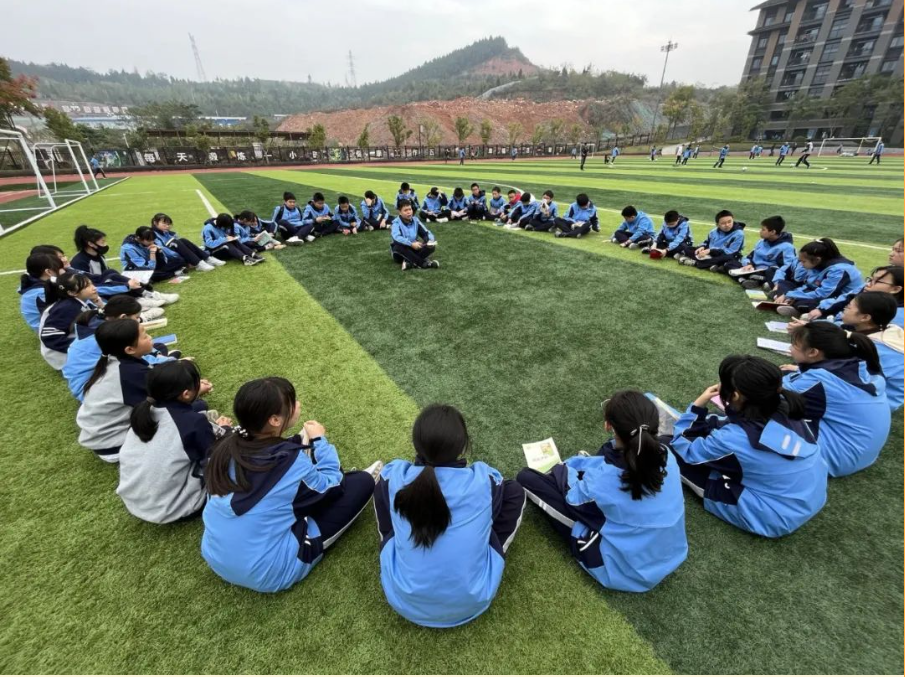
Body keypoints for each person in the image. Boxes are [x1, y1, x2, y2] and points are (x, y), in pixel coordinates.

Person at [201, 377, 378, 593]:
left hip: (215, 556)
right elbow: (332, 485)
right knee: (361, 482)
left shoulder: (223, 447)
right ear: (275, 420)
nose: (298, 405)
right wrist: (320, 442)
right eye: (292, 403)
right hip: (268, 572)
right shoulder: (290, 464)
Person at [518, 390, 687, 590]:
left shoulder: (604, 482)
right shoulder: (666, 454)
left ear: (609, 426)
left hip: (625, 571)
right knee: (606, 453)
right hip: (670, 553)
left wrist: (563, 468)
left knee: (526, 478)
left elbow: (572, 498)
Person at [375, 404, 525, 627]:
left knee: (387, 503)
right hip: (473, 599)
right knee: (514, 492)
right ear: (463, 447)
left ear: (416, 444)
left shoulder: (392, 475)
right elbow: (507, 492)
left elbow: (385, 519)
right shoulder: (484, 479)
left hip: (404, 599)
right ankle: (488, 551)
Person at [672, 356, 827, 537]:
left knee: (665, 448)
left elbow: (686, 449)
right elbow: (729, 426)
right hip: (807, 498)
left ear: (736, 395)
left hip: (773, 516)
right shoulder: (787, 408)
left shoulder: (733, 439)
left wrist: (698, 406)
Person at [118, 360, 231, 524]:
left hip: (137, 503)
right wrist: (225, 431)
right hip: (174, 509)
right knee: (232, 456)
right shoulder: (193, 423)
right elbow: (215, 458)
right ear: (186, 394)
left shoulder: (143, 413)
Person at [782, 322, 890, 477]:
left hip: (839, 457)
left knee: (759, 414)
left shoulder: (821, 379)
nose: (790, 348)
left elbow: (766, 393)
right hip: (862, 452)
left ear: (813, 352)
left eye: (794, 345)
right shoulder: (857, 363)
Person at [76, 319, 162, 462]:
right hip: (115, 445)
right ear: (129, 349)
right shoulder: (130, 373)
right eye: (145, 336)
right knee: (187, 414)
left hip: (101, 438)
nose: (150, 337)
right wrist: (194, 392)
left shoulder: (113, 360)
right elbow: (160, 402)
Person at [63, 295, 175, 402]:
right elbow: (132, 362)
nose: (139, 321)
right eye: (137, 318)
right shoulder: (108, 337)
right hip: (91, 390)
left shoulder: (100, 325)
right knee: (164, 378)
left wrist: (157, 355)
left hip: (92, 380)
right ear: (123, 317)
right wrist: (171, 362)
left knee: (157, 347)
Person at [838, 291, 903, 411]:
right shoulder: (886, 328)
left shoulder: (878, 347)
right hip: (874, 394)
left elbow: (847, 375)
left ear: (865, 317)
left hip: (875, 403)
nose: (844, 308)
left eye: (849, 307)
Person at [771, 238, 863, 318]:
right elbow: (809, 285)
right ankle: (791, 303)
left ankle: (799, 308)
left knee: (802, 301)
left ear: (817, 259)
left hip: (840, 301)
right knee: (783, 284)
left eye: (803, 261)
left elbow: (823, 294)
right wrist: (790, 294)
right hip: (822, 294)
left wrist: (791, 295)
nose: (801, 264)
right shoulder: (819, 264)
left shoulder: (839, 270)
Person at [799, 264, 903, 327]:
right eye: (871, 279)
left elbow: (851, 332)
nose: (868, 284)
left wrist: (814, 328)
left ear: (896, 289)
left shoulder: (896, 317)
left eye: (877, 281)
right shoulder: (868, 293)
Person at [38, 272, 99, 370]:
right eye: (87, 286)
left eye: (91, 283)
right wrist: (83, 348)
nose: (94, 287)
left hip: (72, 345)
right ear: (72, 293)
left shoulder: (79, 301)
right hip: (62, 356)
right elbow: (50, 337)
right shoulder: (67, 307)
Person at [727, 215, 796, 288]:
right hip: (753, 269)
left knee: (770, 272)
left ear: (772, 232)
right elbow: (750, 257)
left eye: (763, 229)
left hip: (767, 271)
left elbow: (786, 267)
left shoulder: (787, 247)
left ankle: (755, 279)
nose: (760, 231)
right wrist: (749, 264)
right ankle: (746, 280)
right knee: (730, 264)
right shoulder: (761, 242)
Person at [677, 210, 745, 272]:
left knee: (726, 259)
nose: (727, 225)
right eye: (723, 223)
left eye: (729, 222)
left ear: (733, 220)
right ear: (717, 224)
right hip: (711, 253)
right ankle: (712, 265)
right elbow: (707, 242)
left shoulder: (739, 233)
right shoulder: (713, 232)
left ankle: (695, 263)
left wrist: (710, 251)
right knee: (687, 249)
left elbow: (731, 251)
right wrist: (702, 247)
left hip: (727, 254)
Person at [149, 213, 222, 271]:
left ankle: (207, 258)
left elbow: (182, 246)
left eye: (168, 224)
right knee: (175, 242)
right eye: (164, 224)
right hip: (168, 259)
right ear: (155, 223)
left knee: (182, 240)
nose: (167, 226)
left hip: (177, 255)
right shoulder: (152, 235)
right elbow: (163, 251)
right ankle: (199, 263)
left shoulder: (168, 233)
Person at [18, 251, 65, 332]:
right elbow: (62, 313)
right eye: (60, 269)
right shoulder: (42, 292)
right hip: (53, 332)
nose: (63, 271)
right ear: (48, 272)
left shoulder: (34, 284)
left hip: (49, 327)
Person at [121, 226, 187, 281]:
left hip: (152, 263)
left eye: (153, 240)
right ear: (139, 239)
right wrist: (152, 253)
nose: (152, 242)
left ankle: (166, 273)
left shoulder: (150, 239)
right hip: (138, 269)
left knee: (179, 260)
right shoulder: (129, 248)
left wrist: (160, 250)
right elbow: (149, 268)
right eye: (149, 240)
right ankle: (174, 273)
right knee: (151, 275)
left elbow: (169, 256)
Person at [391, 199, 438, 270]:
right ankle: (425, 264)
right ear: (400, 212)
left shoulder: (415, 220)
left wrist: (429, 240)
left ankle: (409, 263)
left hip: (415, 248)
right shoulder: (396, 223)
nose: (408, 212)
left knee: (431, 246)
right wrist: (411, 244)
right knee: (398, 247)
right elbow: (396, 238)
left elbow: (426, 233)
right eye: (405, 210)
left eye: (410, 209)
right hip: (401, 251)